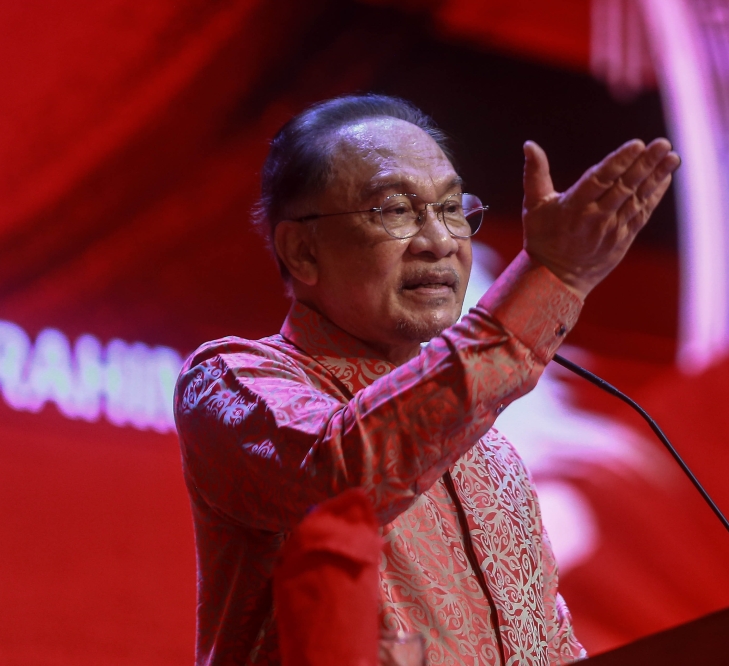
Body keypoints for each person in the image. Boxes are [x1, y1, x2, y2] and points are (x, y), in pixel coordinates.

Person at [174, 94, 679, 665]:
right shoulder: (229, 380)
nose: (440, 241)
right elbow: (341, 479)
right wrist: (549, 282)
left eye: (451, 208)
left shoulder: (494, 458)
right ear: (302, 250)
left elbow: (548, 649)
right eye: (394, 210)